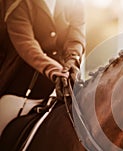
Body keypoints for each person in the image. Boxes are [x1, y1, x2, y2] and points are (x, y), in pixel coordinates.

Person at [0, 0, 86, 135]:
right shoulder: (19, 3)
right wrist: (54, 70)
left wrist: (72, 62)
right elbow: (26, 44)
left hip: (61, 87)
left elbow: (76, 38)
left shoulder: (75, 4)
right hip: (19, 89)